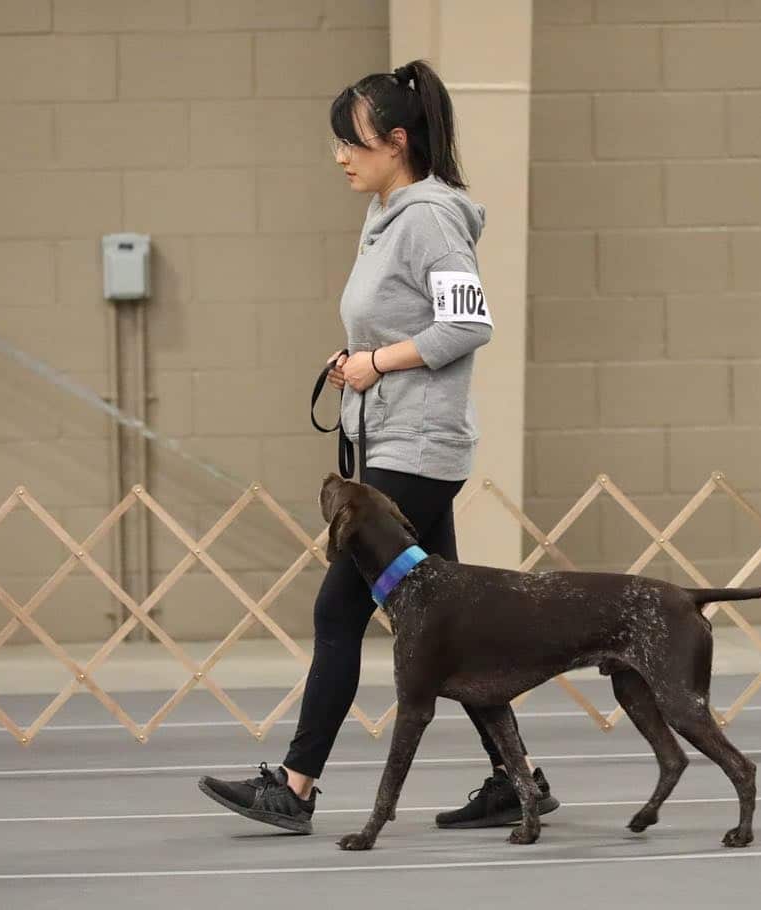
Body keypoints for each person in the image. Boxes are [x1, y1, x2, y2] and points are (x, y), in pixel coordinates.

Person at [198, 59, 559, 835]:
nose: (340, 156)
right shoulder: (386, 214)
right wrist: (356, 361)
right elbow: (403, 322)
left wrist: (375, 363)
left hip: (416, 450)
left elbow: (468, 325)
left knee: (338, 609)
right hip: (392, 438)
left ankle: (294, 787)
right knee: (444, 625)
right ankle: (516, 779)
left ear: (396, 142)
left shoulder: (427, 218)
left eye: (351, 142)